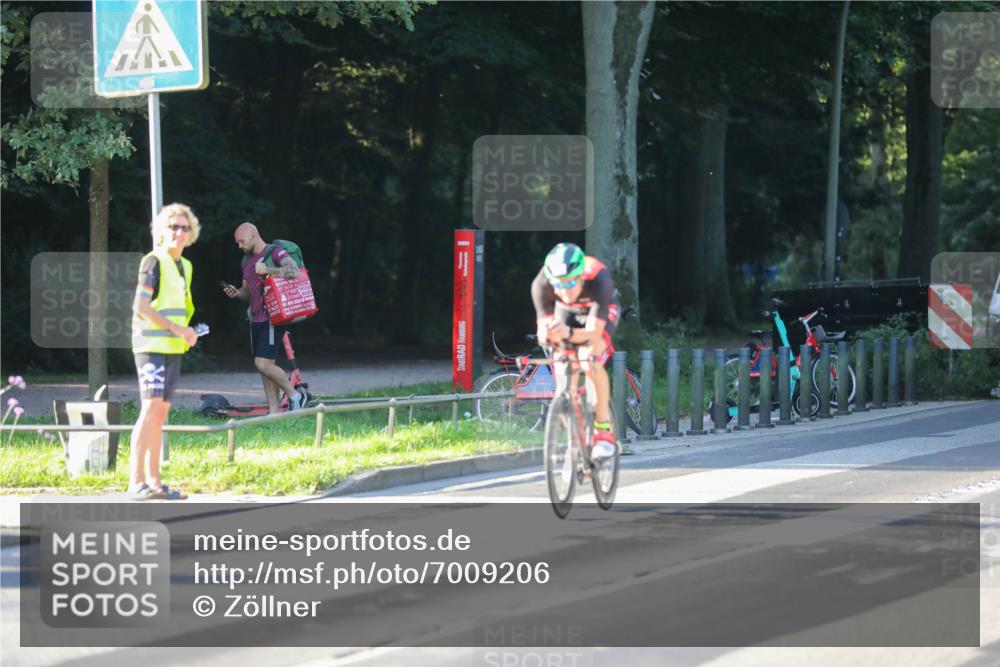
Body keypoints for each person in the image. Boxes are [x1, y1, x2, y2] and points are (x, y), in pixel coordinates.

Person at [128, 203, 200, 500]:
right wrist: (176, 329)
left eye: (185, 228)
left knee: (160, 415)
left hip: (173, 348)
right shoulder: (153, 261)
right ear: (161, 231)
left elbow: (179, 308)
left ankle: (156, 483)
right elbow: (141, 306)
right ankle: (136, 482)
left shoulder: (186, 266)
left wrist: (189, 331)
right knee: (148, 411)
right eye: (173, 227)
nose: (179, 233)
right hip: (150, 347)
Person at [532, 243, 621, 460]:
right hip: (566, 312)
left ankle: (603, 431)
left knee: (588, 359)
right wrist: (549, 335)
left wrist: (568, 333)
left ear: (581, 275)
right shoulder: (541, 284)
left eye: (570, 282)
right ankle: (575, 439)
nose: (565, 290)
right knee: (563, 379)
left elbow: (592, 334)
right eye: (559, 285)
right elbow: (543, 332)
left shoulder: (600, 279)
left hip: (599, 310)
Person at [222, 222, 307, 414]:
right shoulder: (246, 261)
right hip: (256, 319)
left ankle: (296, 396)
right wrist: (237, 293)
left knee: (263, 363)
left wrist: (270, 270)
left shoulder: (274, 252)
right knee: (265, 368)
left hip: (272, 317)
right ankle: (274, 411)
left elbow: (294, 272)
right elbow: (247, 292)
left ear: (253, 234)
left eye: (241, 241)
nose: (240, 246)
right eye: (237, 243)